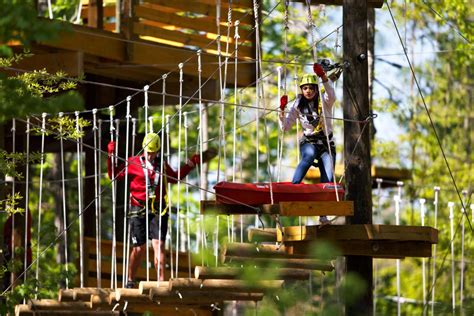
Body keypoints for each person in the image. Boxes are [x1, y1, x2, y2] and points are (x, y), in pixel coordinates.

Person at [107, 133, 215, 287]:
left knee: (159, 245)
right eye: (148, 152)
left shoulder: (161, 165)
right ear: (143, 150)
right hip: (138, 208)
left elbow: (175, 178)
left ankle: (161, 282)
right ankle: (130, 280)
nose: (150, 156)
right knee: (139, 248)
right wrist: (111, 155)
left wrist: (191, 163)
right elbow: (114, 175)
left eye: (153, 153)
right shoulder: (132, 162)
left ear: (158, 151)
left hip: (158, 209)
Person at [278, 63, 336, 224]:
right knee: (308, 157)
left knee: (328, 177)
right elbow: (286, 126)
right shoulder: (298, 104)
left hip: (326, 144)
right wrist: (282, 111)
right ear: (301, 91)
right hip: (309, 141)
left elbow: (332, 94)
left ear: (316, 89)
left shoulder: (324, 101)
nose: (308, 91)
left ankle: (323, 215)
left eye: (311, 88)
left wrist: (323, 77)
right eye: (305, 88)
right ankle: (294, 187)